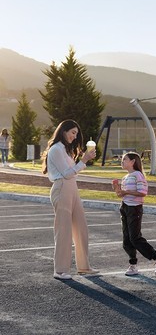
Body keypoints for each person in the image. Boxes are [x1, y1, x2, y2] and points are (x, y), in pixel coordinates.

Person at [42, 119, 98, 280]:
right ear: (64, 131)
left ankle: (84, 267)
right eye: (73, 132)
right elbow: (66, 173)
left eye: (76, 134)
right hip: (62, 188)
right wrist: (84, 160)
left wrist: (82, 160)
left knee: (81, 228)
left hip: (72, 188)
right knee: (64, 231)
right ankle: (60, 270)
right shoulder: (56, 149)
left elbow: (71, 173)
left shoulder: (66, 150)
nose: (75, 136)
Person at [112, 152, 156, 276]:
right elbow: (120, 194)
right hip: (125, 207)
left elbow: (142, 192)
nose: (122, 162)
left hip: (134, 209)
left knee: (135, 238)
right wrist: (116, 188)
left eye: (124, 160)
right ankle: (133, 265)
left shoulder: (138, 175)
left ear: (132, 162)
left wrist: (125, 192)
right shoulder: (126, 177)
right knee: (126, 239)